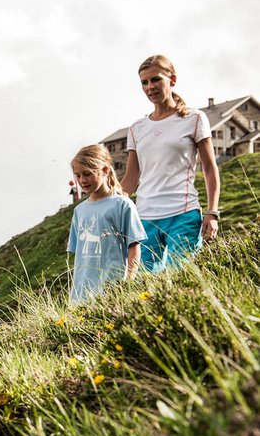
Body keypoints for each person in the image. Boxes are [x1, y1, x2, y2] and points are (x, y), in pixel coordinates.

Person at [120, 55, 220, 272]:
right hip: (145, 217)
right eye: (144, 82)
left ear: (172, 79)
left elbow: (210, 169)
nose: (150, 87)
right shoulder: (136, 128)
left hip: (183, 213)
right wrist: (109, 208)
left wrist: (212, 212)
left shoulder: (194, 119)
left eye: (155, 79)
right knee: (144, 284)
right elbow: (130, 177)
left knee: (182, 278)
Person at [67, 145, 147, 303]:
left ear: (105, 170)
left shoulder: (122, 204)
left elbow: (134, 246)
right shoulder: (79, 211)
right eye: (78, 175)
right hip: (80, 296)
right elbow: (78, 257)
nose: (82, 180)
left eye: (87, 174)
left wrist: (129, 281)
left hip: (112, 289)